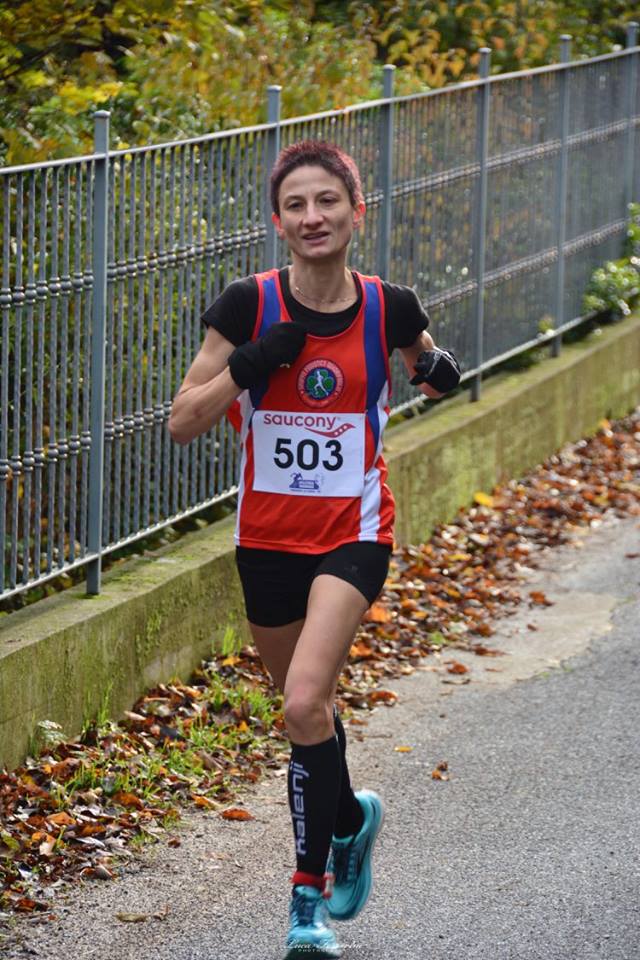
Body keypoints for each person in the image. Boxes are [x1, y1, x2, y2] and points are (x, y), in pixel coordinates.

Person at [168, 140, 460, 959]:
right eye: (295, 204)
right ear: (278, 222)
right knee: (310, 713)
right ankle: (351, 819)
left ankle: (307, 903)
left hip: (354, 533)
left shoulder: (389, 305)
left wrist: (438, 370)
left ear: (356, 211)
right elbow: (183, 420)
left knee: (302, 703)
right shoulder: (247, 304)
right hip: (265, 540)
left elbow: (428, 366)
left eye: (327, 200)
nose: (312, 216)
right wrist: (252, 363)